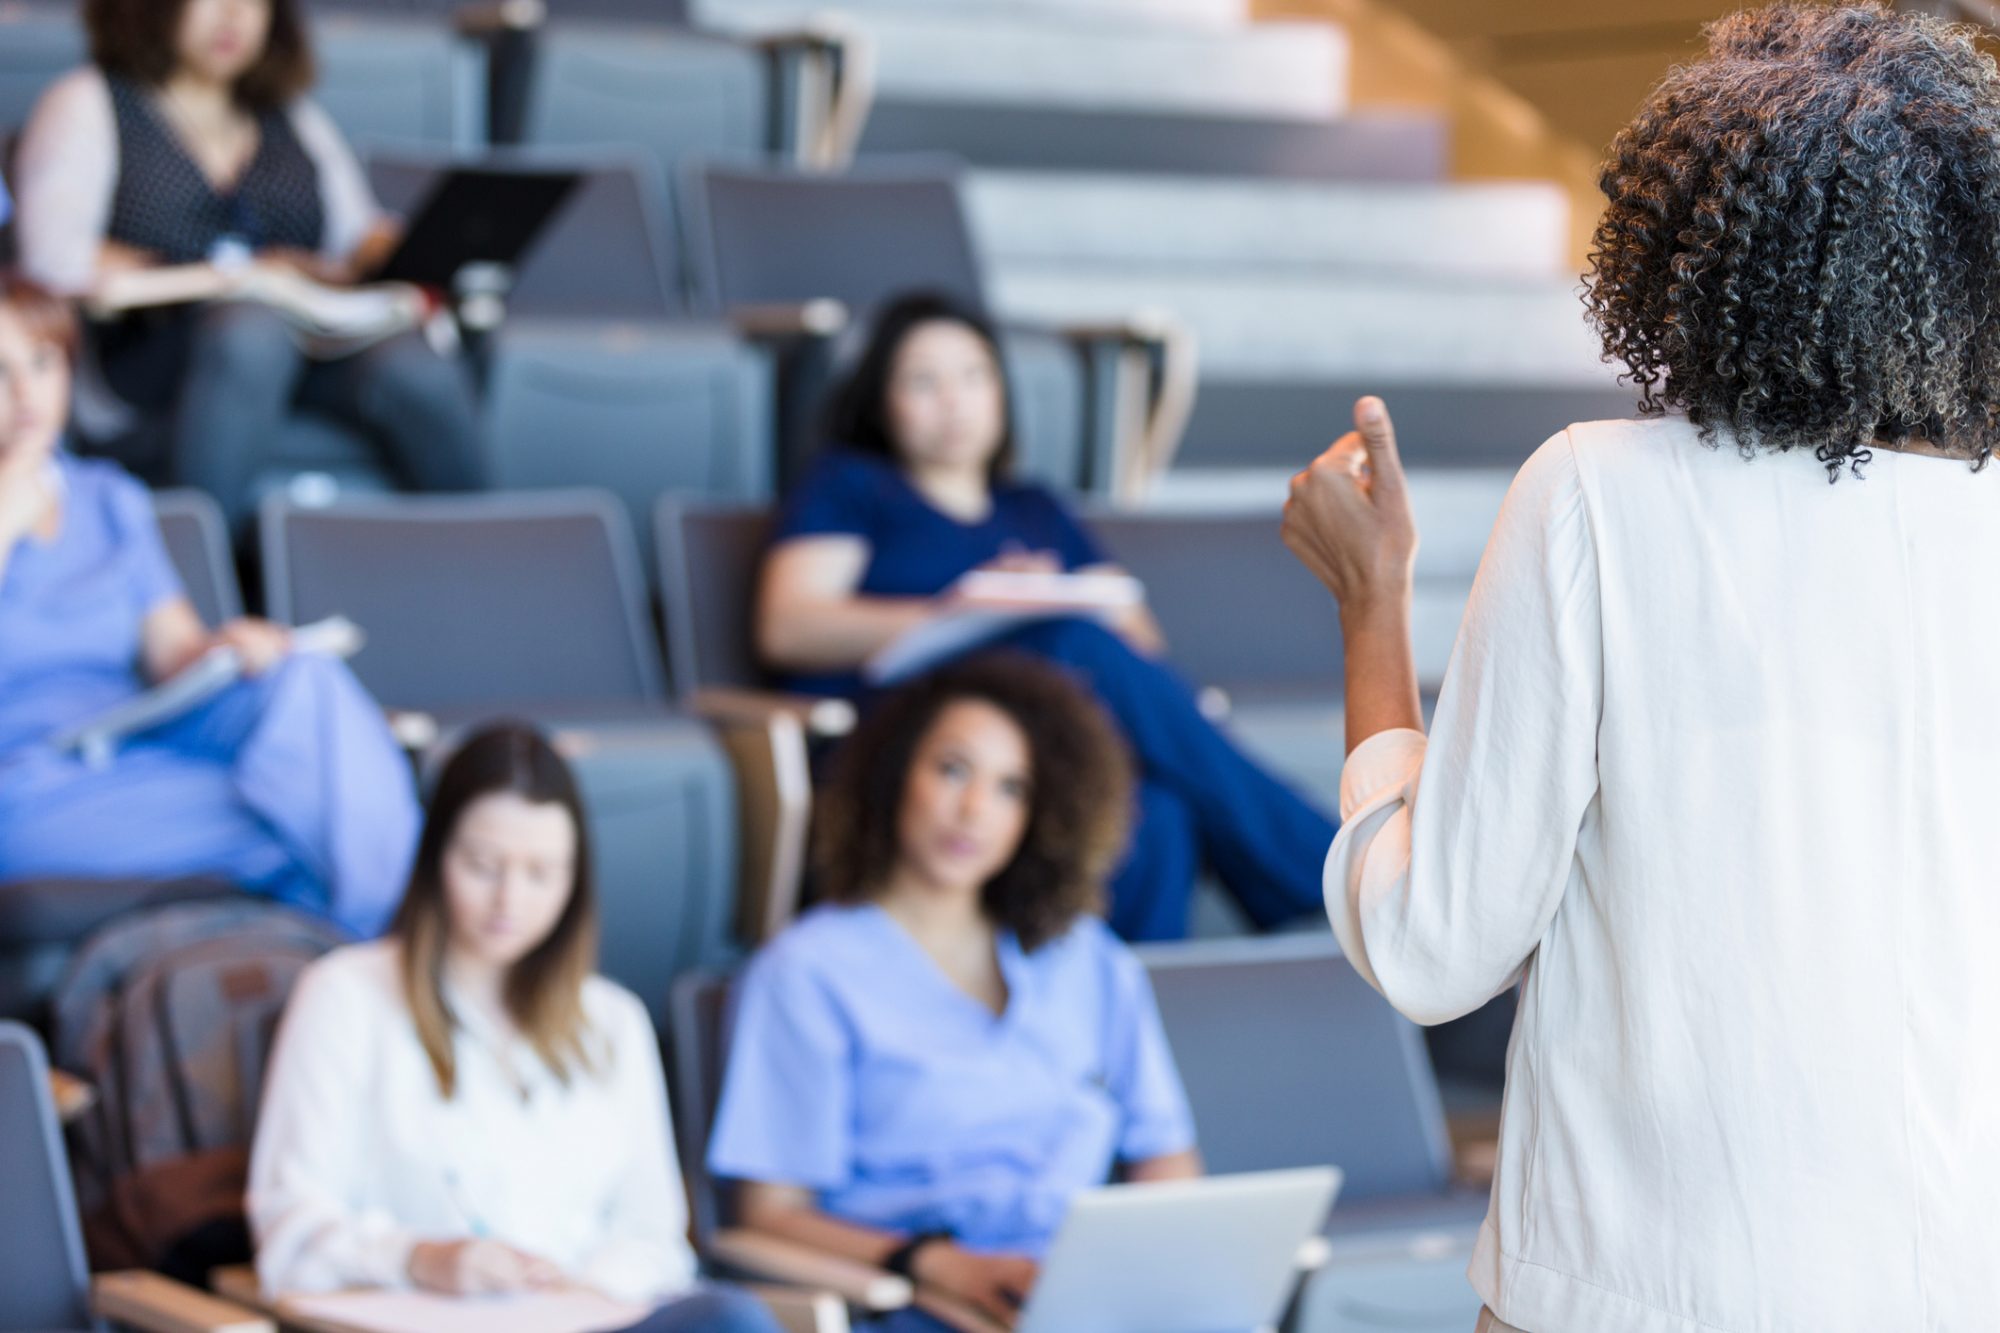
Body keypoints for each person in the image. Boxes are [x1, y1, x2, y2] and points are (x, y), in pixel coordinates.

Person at [1282, 7, 2000, 1332]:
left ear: (1694, 249)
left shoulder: (1601, 498)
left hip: (1634, 1288)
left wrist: (1371, 601)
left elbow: (1435, 941)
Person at [758, 290, 1335, 941]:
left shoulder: (1034, 507)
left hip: (1036, 731)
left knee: (1161, 811)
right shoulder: (853, 485)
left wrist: (1045, 594)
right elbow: (790, 624)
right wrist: (961, 607)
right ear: (881, 400)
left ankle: (1133, 1012)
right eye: (923, 381)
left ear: (1001, 394)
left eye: (973, 378)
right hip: (905, 723)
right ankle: (1325, 875)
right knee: (1069, 640)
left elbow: (1140, 639)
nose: (953, 400)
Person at [708, 657, 1201, 1333]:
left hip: (1085, 1295)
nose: (974, 809)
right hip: (922, 1296)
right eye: (952, 769)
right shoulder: (806, 973)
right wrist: (931, 1264)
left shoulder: (1088, 959)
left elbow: (1165, 1154)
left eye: (1011, 787)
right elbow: (768, 1213)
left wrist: (1152, 1273)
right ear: (894, 775)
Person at [248, 723, 780, 1333]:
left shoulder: (612, 1021)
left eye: (541, 873)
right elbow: (291, 1230)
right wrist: (422, 1259)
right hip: (425, 1322)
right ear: (434, 857)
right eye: (483, 866)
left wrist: (579, 1289)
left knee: (731, 1318)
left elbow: (656, 1241)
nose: (510, 899)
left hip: (585, 1318)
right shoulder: (346, 995)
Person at [0, 272, 415, 937]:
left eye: (43, 363)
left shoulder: (108, 497)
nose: (25, 395)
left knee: (302, 678)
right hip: (30, 781)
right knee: (307, 811)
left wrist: (224, 649)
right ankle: (396, 950)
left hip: (136, 736)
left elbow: (173, 652)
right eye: (0, 372)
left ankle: (382, 944)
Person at [10, 0, 484, 528]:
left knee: (415, 365)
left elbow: (354, 236)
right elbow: (53, 262)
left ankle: (486, 559)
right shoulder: (89, 101)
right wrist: (230, 273)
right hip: (155, 358)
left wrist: (420, 243)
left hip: (308, 342)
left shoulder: (290, 113)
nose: (234, 14)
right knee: (251, 332)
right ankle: (198, 580)